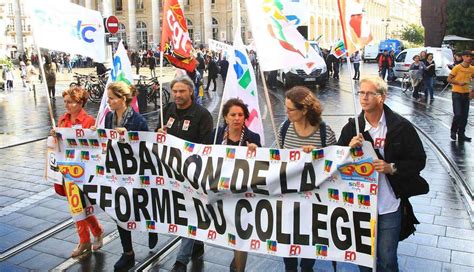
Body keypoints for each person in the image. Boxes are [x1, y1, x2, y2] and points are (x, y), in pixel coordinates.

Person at [338, 76, 427, 272]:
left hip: (389, 206)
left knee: (387, 260)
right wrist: (347, 149)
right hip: (360, 207)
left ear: (382, 97)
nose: (364, 97)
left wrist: (391, 167)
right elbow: (336, 163)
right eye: (361, 92)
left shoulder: (400, 127)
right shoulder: (353, 128)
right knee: (364, 260)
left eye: (370, 93)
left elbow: (419, 160)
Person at [156, 75, 213, 272]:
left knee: (190, 214)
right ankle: (196, 243)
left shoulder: (202, 114)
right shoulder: (168, 110)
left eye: (182, 91)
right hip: (170, 172)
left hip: (192, 174)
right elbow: (156, 133)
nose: (178, 95)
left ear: (191, 91)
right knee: (178, 211)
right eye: (175, 91)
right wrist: (159, 133)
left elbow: (207, 146)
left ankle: (181, 261)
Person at [278, 86, 337, 272]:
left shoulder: (324, 132)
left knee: (311, 236)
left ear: (304, 109)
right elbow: (277, 160)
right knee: (287, 236)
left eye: (290, 109)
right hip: (288, 196)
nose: (286, 112)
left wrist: (318, 155)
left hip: (315, 199)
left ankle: (307, 267)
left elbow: (335, 163)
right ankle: (289, 267)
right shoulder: (285, 128)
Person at [98, 82, 151, 270]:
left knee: (142, 209)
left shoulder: (138, 121)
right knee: (120, 212)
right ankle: (128, 253)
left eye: (111, 98)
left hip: (136, 175)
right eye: (108, 98)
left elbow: (146, 149)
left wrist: (128, 136)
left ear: (122, 99)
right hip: (117, 175)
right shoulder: (108, 118)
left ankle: (151, 228)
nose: (109, 102)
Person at [52, 86, 105, 258]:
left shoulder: (89, 121)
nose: (67, 105)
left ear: (80, 103)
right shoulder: (62, 120)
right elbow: (58, 146)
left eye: (71, 102)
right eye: (65, 102)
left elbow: (95, 146)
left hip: (85, 172)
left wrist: (94, 135)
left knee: (85, 207)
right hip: (68, 172)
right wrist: (54, 135)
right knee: (76, 207)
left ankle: (95, 233)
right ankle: (85, 240)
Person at [213, 98, 261, 272]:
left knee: (241, 233)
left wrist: (257, 151)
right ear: (225, 117)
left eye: (240, 115)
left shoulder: (252, 138)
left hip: (243, 194)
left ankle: (239, 268)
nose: (237, 118)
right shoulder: (216, 135)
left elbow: (263, 167)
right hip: (220, 192)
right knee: (227, 230)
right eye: (232, 114)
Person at [447, 50, 473, 142]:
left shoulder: (472, 68)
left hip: (466, 94)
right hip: (457, 93)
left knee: (465, 116)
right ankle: (453, 131)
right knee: (458, 114)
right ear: (463, 57)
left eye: (470, 56)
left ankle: (461, 134)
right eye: (467, 56)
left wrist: (472, 91)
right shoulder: (457, 68)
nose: (469, 58)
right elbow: (449, 79)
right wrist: (458, 82)